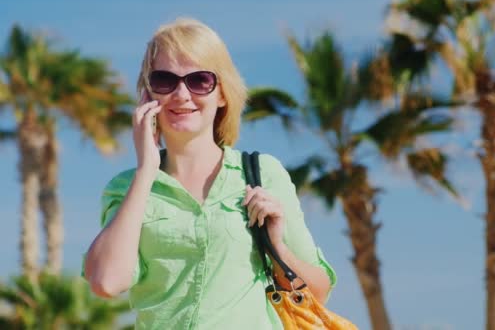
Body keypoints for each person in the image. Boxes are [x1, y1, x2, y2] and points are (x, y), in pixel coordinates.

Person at [82, 18, 336, 329]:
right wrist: (146, 172)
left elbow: (318, 291)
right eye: (164, 80)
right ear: (148, 95)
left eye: (199, 80)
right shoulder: (126, 188)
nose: (181, 94)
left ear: (223, 94)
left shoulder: (262, 174)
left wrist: (277, 246)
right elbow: (107, 282)